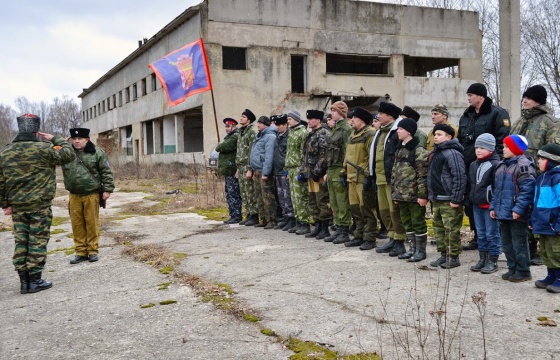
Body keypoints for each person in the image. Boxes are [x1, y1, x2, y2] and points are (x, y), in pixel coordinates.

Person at [1, 114, 75, 293]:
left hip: (18, 205)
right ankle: (34, 280)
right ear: (36, 132)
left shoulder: (5, 152)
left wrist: (5, 204)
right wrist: (55, 139)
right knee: (37, 241)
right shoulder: (44, 149)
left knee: (21, 242)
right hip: (39, 205)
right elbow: (69, 154)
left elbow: (1, 181)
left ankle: (24, 282)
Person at [510, 85, 560, 266]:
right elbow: (508, 145)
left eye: (529, 98)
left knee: (536, 211)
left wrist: (543, 173)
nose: (525, 100)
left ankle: (537, 249)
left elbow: (553, 151)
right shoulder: (518, 121)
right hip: (515, 175)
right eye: (524, 97)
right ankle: (523, 247)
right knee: (519, 210)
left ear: (538, 100)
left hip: (539, 175)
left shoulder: (551, 122)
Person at [458, 82, 511, 251]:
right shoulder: (466, 116)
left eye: (471, 95)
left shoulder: (497, 113)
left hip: (489, 166)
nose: (468, 98)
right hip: (470, 166)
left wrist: (497, 164)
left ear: (481, 96)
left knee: (489, 202)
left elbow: (503, 139)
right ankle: (477, 236)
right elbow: (461, 139)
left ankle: (495, 240)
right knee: (471, 201)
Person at [63, 128, 115, 264]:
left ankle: (92, 251)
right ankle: (80, 251)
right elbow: (51, 156)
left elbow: (106, 171)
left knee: (91, 223)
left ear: (87, 139)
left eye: (80, 139)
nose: (77, 141)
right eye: (74, 139)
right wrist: (60, 143)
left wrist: (107, 189)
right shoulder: (67, 153)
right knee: (77, 224)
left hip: (91, 194)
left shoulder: (97, 152)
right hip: (74, 195)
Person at [490, 135, 536, 282]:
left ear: (516, 149)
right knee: (507, 243)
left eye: (507, 147)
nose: (503, 149)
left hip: (516, 214)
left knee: (519, 243)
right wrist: (493, 207)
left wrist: (518, 209)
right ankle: (512, 268)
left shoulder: (524, 167)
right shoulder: (501, 165)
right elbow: (497, 190)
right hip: (502, 212)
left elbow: (527, 191)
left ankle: (523, 271)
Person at [369, 102, 407, 256]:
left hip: (392, 179)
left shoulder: (397, 131)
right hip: (380, 178)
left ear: (390, 116)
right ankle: (391, 237)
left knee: (395, 211)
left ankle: (400, 241)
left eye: (381, 114)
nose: (378, 116)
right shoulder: (381, 131)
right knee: (385, 211)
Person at [427, 124, 467, 269]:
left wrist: (456, 198)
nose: (435, 137)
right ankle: (444, 254)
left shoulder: (452, 153)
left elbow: (459, 176)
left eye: (439, 134)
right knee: (438, 227)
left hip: (449, 199)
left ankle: (454, 256)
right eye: (434, 134)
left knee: (451, 229)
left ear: (449, 137)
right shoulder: (435, 153)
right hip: (437, 198)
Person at [391, 118, 429, 262]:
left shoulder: (419, 151)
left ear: (409, 131)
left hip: (414, 196)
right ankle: (412, 248)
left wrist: (422, 195)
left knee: (418, 222)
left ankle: (420, 250)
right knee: (407, 222)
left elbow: (422, 176)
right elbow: (394, 172)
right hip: (401, 195)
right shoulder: (400, 149)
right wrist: (394, 193)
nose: (398, 131)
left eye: (400, 129)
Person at [340, 107, 376, 248]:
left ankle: (370, 238)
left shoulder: (370, 134)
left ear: (361, 119)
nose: (351, 120)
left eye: (353, 118)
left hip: (362, 178)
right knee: (355, 209)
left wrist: (368, 175)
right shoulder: (352, 136)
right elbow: (347, 157)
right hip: (351, 178)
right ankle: (358, 235)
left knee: (367, 209)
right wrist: (343, 172)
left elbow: (371, 158)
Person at [468, 133, 501, 273]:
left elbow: (498, 188)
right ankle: (483, 258)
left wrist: (494, 205)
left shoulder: (496, 164)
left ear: (491, 149)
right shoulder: (473, 164)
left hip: (489, 206)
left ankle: (493, 260)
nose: (478, 150)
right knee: (480, 233)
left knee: (491, 233)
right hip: (476, 205)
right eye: (477, 147)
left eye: (482, 147)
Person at [531, 143, 560, 293]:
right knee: (546, 251)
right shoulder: (542, 177)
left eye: (542, 159)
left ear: (552, 160)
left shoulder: (557, 178)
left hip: (554, 224)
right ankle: (551, 276)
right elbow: (536, 202)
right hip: (542, 222)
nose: (539, 162)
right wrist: (532, 220)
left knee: (557, 251)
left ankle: (559, 278)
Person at [300, 110, 331, 238]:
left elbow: (324, 155)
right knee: (313, 201)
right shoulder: (311, 134)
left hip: (319, 175)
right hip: (310, 174)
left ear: (318, 120)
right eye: (308, 119)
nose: (309, 121)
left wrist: (317, 171)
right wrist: (304, 171)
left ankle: (324, 228)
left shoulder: (323, 134)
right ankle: (317, 226)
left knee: (321, 201)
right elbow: (306, 155)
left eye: (311, 119)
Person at [324, 101, 352, 240]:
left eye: (334, 111)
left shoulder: (346, 129)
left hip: (339, 169)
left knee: (342, 201)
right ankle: (338, 227)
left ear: (341, 112)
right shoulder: (335, 128)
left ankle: (344, 230)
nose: (332, 113)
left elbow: (348, 152)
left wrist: (344, 171)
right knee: (334, 201)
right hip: (331, 169)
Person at [284, 111, 312, 234]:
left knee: (301, 197)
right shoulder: (291, 132)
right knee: (294, 197)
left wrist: (302, 170)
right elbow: (289, 152)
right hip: (291, 168)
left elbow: (303, 153)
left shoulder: (303, 133)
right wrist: (286, 169)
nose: (288, 121)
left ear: (296, 119)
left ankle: (305, 223)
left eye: (290, 119)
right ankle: (298, 221)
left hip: (298, 168)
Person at [249, 116, 278, 229]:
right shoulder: (259, 136)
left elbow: (269, 156)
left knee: (267, 196)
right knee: (259, 196)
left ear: (266, 124)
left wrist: (266, 172)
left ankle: (271, 219)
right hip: (256, 170)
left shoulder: (270, 136)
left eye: (260, 123)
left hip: (263, 171)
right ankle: (263, 219)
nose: (258, 125)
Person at [215, 118, 242, 224]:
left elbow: (224, 147)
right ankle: (233, 215)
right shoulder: (229, 137)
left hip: (232, 169)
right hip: (228, 170)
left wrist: (219, 146)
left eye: (228, 126)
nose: (226, 128)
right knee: (229, 193)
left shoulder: (235, 136)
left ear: (234, 126)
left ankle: (237, 215)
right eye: (225, 126)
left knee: (234, 193)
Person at [235, 109, 259, 226]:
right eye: (241, 116)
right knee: (243, 192)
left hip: (246, 165)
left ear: (248, 120)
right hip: (240, 166)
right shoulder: (241, 132)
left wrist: (250, 168)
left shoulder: (251, 132)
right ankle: (249, 213)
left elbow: (251, 151)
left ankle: (254, 215)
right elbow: (239, 151)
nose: (241, 118)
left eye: (243, 117)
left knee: (250, 191)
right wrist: (237, 169)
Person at [271, 114, 294, 229]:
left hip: (285, 171)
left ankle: (291, 218)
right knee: (281, 196)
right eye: (277, 125)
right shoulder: (278, 136)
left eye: (280, 125)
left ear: (285, 125)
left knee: (287, 195)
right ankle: (285, 217)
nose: (278, 127)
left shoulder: (288, 137)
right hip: (277, 171)